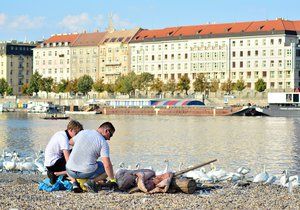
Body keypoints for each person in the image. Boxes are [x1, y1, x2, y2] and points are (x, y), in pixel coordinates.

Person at [66, 121, 117, 193]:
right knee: (107, 169)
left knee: (71, 162)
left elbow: (70, 142)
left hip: (70, 171)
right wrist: (112, 180)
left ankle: (75, 183)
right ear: (106, 131)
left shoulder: (83, 132)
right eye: (110, 135)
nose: (109, 139)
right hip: (84, 172)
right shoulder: (103, 142)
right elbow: (107, 165)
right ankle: (89, 182)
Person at [44, 120, 83, 186]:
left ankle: (58, 174)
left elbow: (71, 145)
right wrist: (74, 181)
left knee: (75, 151)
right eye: (76, 133)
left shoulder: (61, 133)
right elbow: (67, 159)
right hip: (53, 165)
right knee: (76, 153)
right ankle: (57, 174)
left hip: (49, 164)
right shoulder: (64, 138)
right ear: (70, 130)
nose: (77, 136)